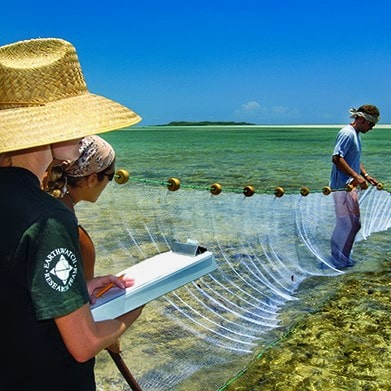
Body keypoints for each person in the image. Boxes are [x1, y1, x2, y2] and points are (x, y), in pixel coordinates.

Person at [0, 37, 142, 390]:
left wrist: (79, 289)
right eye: (73, 120)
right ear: (44, 130)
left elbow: (17, 289)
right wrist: (132, 311)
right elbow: (83, 344)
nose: (84, 133)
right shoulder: (48, 218)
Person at [329, 104, 380, 268]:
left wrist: (365, 175)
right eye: (370, 124)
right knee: (352, 224)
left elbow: (353, 159)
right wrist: (356, 176)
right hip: (342, 187)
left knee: (346, 223)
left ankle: (339, 257)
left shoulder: (355, 134)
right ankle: (341, 260)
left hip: (347, 186)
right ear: (362, 119)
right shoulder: (347, 133)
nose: (371, 128)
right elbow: (337, 158)